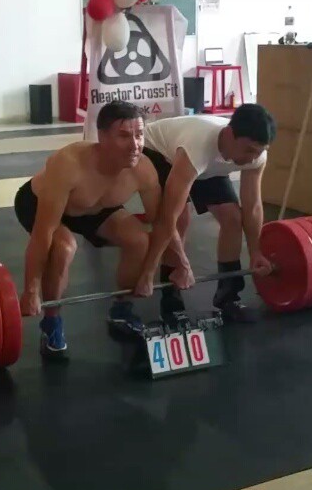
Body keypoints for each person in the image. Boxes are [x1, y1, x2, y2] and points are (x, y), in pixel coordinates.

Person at [13, 100, 192, 354]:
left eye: (139, 135)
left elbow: (162, 225)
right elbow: (44, 234)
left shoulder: (144, 170)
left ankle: (121, 309)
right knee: (63, 248)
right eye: (124, 136)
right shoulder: (68, 164)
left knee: (139, 240)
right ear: (102, 137)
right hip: (40, 204)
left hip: (97, 209)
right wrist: (31, 290)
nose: (135, 145)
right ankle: (52, 320)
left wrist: (174, 266)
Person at [134, 103, 276, 322]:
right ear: (229, 134)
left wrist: (256, 251)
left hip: (207, 166)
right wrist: (170, 266)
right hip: (160, 153)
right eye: (249, 150)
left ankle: (228, 295)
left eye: (259, 152)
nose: (252, 158)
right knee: (180, 219)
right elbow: (167, 217)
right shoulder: (198, 145)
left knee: (233, 217)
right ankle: (171, 296)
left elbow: (253, 206)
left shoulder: (255, 156)